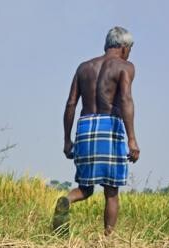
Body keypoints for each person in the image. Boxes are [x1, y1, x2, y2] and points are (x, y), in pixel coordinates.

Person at [54, 26, 140, 236]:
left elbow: (71, 104)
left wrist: (67, 140)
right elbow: (126, 99)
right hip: (109, 126)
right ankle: (108, 240)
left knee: (85, 188)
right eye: (130, 48)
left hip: (84, 126)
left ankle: (68, 199)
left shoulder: (84, 67)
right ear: (123, 46)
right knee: (111, 191)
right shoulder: (124, 66)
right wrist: (132, 139)